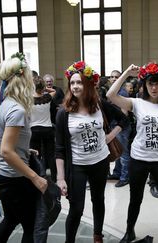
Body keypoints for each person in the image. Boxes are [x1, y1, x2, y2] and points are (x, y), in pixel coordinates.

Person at [107, 62, 158, 243]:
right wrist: (127, 73)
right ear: (145, 85)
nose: (154, 87)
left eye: (157, 83)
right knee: (135, 199)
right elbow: (111, 95)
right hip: (138, 159)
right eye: (150, 83)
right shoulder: (137, 104)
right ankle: (129, 231)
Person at [56, 61, 129, 243]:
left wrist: (111, 135)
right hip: (78, 166)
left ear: (88, 84)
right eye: (72, 83)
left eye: (79, 82)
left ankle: (98, 236)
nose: (75, 86)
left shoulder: (99, 105)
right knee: (76, 208)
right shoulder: (63, 113)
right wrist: (60, 178)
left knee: (98, 200)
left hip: (100, 162)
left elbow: (124, 119)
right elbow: (59, 149)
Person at [0, 53, 48, 242]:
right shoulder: (17, 110)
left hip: (2, 176)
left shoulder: (1, 104)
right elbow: (5, 150)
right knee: (31, 226)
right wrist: (35, 177)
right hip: (14, 180)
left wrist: (21, 149)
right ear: (23, 79)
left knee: (11, 219)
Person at [30, 76, 57, 181]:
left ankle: (38, 175)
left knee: (36, 154)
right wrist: (44, 88)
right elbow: (54, 90)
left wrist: (36, 88)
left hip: (34, 129)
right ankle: (54, 177)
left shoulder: (28, 99)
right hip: (47, 128)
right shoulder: (48, 97)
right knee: (50, 154)